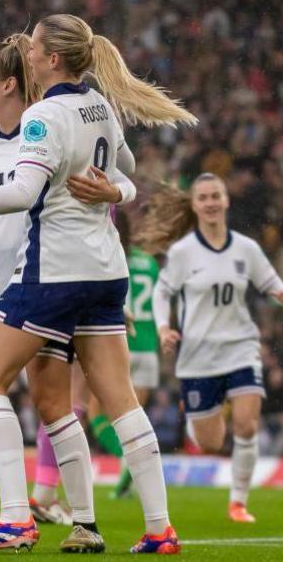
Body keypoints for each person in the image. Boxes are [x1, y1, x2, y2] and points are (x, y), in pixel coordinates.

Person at [0, 14, 196, 554]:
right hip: (106, 272)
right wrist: (116, 197)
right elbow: (125, 173)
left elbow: (20, 192)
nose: (29, 53)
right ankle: (160, 529)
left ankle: (15, 518)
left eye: (35, 46)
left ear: (53, 58)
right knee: (121, 401)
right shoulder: (100, 107)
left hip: (52, 273)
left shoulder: (43, 117)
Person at [0, 34, 97, 536]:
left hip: (34, 283)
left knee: (51, 403)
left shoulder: (44, 126)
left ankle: (79, 520)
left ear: (9, 83)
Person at [148, 173, 283, 523]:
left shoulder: (246, 247)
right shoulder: (184, 252)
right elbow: (162, 291)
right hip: (197, 354)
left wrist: (281, 291)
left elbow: (268, 278)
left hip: (240, 346)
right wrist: (163, 327)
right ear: (195, 205)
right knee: (210, 443)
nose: (211, 202)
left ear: (226, 200)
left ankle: (239, 503)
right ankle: (193, 424)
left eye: (217, 195)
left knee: (246, 425)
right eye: (204, 198)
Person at [90, 209, 162, 500]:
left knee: (98, 414)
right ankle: (133, 468)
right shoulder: (150, 264)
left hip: (119, 344)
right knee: (133, 416)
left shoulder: (108, 258)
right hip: (149, 349)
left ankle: (127, 461)